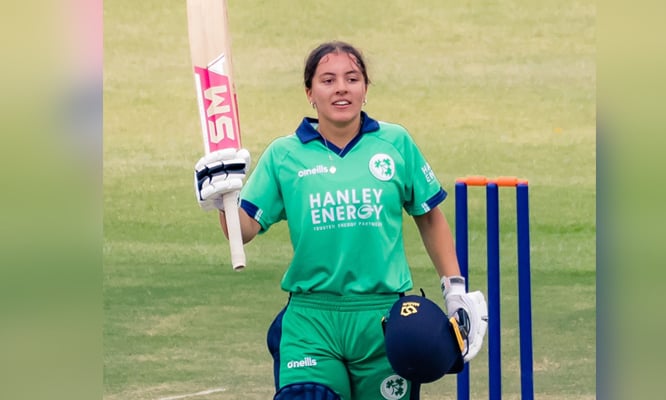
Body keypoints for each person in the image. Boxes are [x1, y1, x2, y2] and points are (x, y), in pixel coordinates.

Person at [194, 41, 488, 400]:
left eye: (352, 78)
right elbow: (244, 231)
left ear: (365, 89)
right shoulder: (285, 155)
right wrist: (221, 199)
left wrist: (454, 289)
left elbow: (429, 217)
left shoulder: (394, 143)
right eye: (328, 80)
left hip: (383, 319)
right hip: (312, 318)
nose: (341, 88)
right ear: (310, 93)